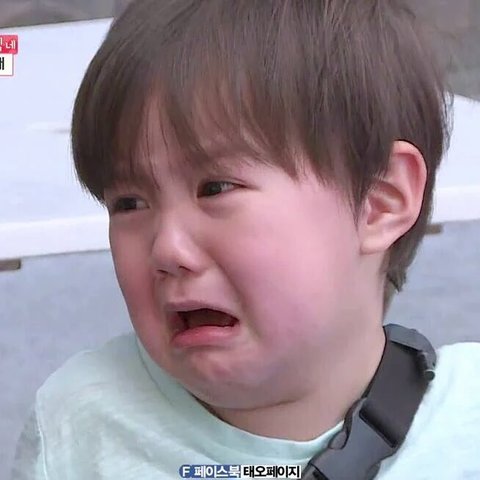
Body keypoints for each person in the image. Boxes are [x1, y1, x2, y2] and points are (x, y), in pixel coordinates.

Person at [11, 1, 480, 479]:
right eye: (129, 203)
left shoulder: (467, 428)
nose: (167, 249)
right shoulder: (80, 428)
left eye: (215, 188)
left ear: (380, 201)